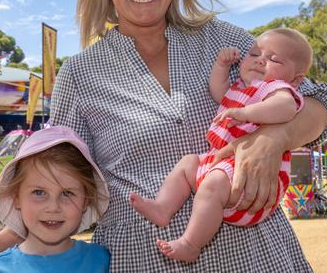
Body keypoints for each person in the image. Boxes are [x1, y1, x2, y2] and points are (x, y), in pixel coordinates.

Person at [0, 0, 327, 272]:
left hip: (256, 254)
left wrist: (275, 136)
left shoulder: (226, 41)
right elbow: (52, 182)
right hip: (141, 259)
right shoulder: (79, 73)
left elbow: (323, 103)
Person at [129, 28, 310, 261]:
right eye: (254, 54)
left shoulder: (276, 89)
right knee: (188, 163)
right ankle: (163, 208)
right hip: (221, 164)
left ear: (295, 79)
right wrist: (221, 67)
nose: (261, 60)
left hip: (251, 180)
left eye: (274, 59)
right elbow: (217, 91)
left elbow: (286, 108)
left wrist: (246, 113)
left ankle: (191, 244)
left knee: (212, 184)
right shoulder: (239, 88)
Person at [0, 126, 110, 273]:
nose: (53, 207)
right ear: (16, 197)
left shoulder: (102, 261)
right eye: (39, 192)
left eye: (67, 193)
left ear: (86, 201)